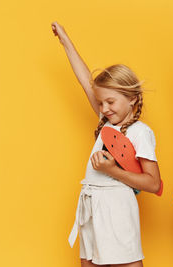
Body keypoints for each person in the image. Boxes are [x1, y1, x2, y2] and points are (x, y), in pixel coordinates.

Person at [52, 22, 162, 267]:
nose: (103, 108)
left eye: (110, 101)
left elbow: (153, 183)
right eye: (100, 103)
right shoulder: (107, 123)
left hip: (117, 208)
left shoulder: (140, 132)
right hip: (92, 203)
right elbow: (84, 80)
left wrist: (112, 170)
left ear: (132, 98)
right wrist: (65, 40)